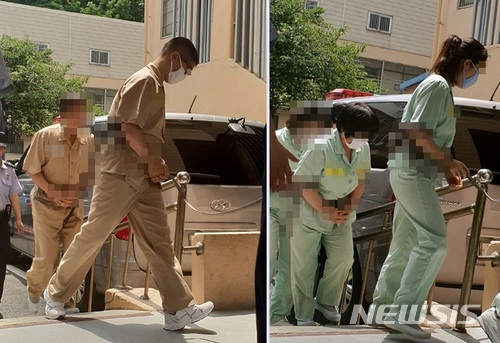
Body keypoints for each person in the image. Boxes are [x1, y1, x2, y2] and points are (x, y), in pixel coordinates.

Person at [43, 37, 214, 331]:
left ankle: (178, 309)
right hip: (122, 174)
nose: (184, 74)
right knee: (94, 234)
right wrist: (151, 161)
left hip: (142, 178)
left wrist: (153, 165)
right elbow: (127, 127)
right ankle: (55, 293)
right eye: (185, 67)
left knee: (159, 242)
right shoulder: (145, 80)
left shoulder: (155, 84)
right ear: (174, 57)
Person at [369, 34, 488, 339]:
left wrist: (444, 165)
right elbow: (416, 132)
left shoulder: (439, 87)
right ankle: (401, 313)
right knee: (435, 242)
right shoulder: (436, 86)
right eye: (478, 70)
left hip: (413, 171)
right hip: (413, 173)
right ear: (466, 63)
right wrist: (446, 164)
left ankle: (383, 311)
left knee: (405, 244)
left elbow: (429, 136)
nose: (476, 76)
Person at [291, 102, 379, 326]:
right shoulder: (320, 146)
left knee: (343, 258)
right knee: (304, 266)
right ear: (342, 129)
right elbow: (302, 183)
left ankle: (326, 303)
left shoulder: (363, 148)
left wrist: (350, 204)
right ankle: (302, 315)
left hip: (341, 215)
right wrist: (325, 209)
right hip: (309, 213)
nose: (362, 140)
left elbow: (361, 179)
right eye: (359, 135)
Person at [24, 92, 94, 314]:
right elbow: (32, 170)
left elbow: (90, 174)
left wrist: (78, 190)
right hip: (46, 204)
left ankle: (62, 301)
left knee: (73, 259)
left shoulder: (88, 140)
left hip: (74, 206)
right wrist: (53, 191)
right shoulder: (45, 136)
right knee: (47, 259)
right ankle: (34, 290)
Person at [269, 119, 302, 326]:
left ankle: (277, 315)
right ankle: (260, 310)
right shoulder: (276, 139)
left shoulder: (317, 144)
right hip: (271, 206)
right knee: (270, 257)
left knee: (290, 265)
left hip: (294, 209)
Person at [0, 131, 23, 319]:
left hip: (1, 221)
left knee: (1, 263)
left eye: (1, 147)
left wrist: (19, 218)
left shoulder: (8, 170)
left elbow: (13, 195)